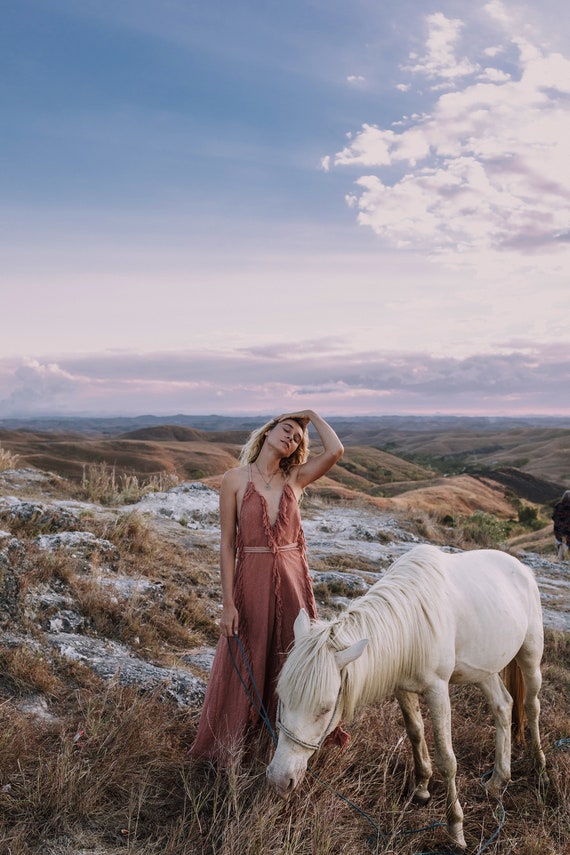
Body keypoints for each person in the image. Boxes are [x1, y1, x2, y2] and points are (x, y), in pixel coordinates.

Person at [189, 409, 345, 763]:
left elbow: (335, 451)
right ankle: (235, 747)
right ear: (268, 431)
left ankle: (285, 746)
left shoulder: (296, 478)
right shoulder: (234, 478)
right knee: (250, 654)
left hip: (292, 580)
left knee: (291, 657)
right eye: (287, 429)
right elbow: (227, 545)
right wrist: (229, 604)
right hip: (252, 579)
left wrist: (311, 416)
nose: (291, 436)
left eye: (297, 438)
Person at [552, 490, 570, 561]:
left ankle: (559, 557)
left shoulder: (558, 505)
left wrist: (559, 523)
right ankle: (566, 559)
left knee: (559, 543)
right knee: (568, 544)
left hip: (558, 529)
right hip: (568, 530)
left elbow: (553, 517)